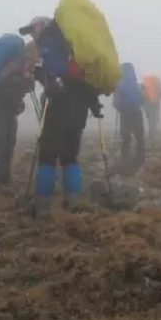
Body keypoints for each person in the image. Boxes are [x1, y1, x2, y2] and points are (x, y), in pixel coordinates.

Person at [19, 16, 102, 213]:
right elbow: (81, 79)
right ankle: (72, 202)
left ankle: (42, 205)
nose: (32, 33)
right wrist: (94, 104)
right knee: (70, 154)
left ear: (44, 26)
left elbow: (55, 75)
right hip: (80, 106)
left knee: (47, 153)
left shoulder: (50, 40)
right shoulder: (72, 45)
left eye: (33, 28)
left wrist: (39, 74)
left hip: (59, 105)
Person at [0, 41, 38, 188]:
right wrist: (20, 82)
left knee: (9, 140)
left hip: (9, 107)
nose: (35, 60)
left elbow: (27, 88)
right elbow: (0, 82)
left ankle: (4, 177)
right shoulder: (15, 64)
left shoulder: (27, 68)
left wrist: (27, 80)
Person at [113, 63, 145, 175]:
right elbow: (142, 99)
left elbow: (115, 102)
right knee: (139, 137)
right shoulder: (136, 85)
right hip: (136, 112)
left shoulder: (119, 85)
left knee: (125, 137)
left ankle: (124, 159)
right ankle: (140, 158)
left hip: (124, 114)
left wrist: (119, 107)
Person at [141, 74, 161, 140]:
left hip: (146, 104)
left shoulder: (145, 86)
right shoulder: (157, 86)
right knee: (154, 117)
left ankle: (152, 131)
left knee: (150, 118)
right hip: (154, 103)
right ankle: (152, 132)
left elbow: (141, 95)